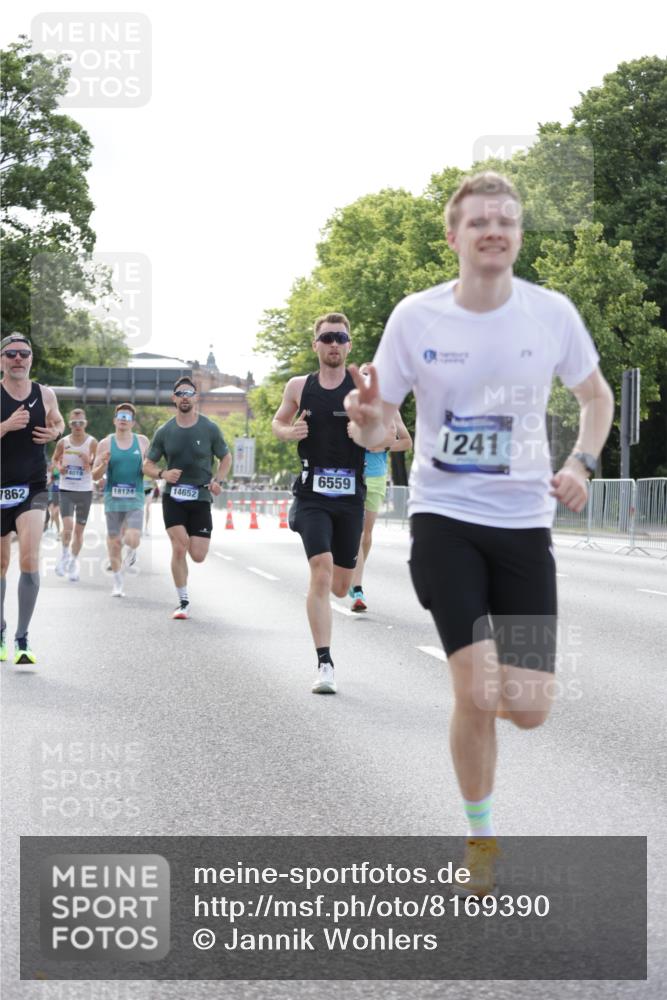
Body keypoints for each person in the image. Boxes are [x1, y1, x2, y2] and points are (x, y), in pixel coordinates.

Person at [344, 172, 614, 894]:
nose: (493, 230)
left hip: (524, 526)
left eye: (505, 221)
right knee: (475, 685)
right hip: (444, 522)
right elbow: (380, 425)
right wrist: (367, 415)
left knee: (526, 708)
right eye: (478, 222)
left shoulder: (550, 314)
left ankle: (490, 700)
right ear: (453, 236)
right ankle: (482, 837)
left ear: (518, 235)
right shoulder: (415, 317)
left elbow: (595, 396)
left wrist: (581, 464)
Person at [272, 312, 366, 694]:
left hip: (351, 496)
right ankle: (324, 662)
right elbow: (277, 423)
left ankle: (340, 593)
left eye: (340, 338)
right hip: (312, 492)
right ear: (315, 345)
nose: (333, 344)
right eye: (326, 337)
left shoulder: (362, 390)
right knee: (321, 571)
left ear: (348, 346)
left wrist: (363, 430)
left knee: (341, 586)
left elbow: (386, 436)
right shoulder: (299, 386)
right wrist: (288, 430)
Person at [143, 377, 231, 619]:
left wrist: (218, 480)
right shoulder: (164, 431)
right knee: (179, 546)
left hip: (201, 496)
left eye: (189, 393)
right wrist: (163, 473)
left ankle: (184, 596)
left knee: (198, 555)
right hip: (174, 496)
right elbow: (147, 464)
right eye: (180, 393)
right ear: (174, 398)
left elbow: (226, 457)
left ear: (195, 398)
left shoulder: (210, 428)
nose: (184, 396)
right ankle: (183, 601)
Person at [0, 333, 64, 664]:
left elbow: (59, 422)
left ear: (31, 359)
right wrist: (6, 425)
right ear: (2, 360)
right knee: (0, 564)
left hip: (33, 486)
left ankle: (22, 637)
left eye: (24, 353)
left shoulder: (45, 394)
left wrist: (55, 432)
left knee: (29, 558)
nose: (18, 359)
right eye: (11, 353)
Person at [348, 364, 412, 612]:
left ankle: (354, 575)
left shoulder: (389, 409)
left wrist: (383, 446)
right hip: (352, 474)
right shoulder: (350, 407)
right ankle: (358, 588)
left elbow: (406, 442)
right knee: (355, 533)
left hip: (375, 475)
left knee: (365, 534)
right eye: (363, 375)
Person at [92, 404, 149, 598]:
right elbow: (94, 475)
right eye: (120, 416)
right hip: (112, 498)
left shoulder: (142, 442)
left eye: (127, 416)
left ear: (132, 422)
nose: (123, 419)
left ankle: (132, 549)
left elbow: (149, 466)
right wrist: (103, 465)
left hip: (135, 496)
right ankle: (117, 583)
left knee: (132, 538)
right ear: (115, 420)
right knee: (114, 542)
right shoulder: (105, 444)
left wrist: (157, 473)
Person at [52, 408, 97, 582]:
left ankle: (73, 562)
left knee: (78, 532)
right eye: (74, 423)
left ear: (85, 423)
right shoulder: (63, 442)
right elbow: (56, 458)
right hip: (67, 489)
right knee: (68, 527)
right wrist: (59, 467)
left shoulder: (92, 442)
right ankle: (64, 555)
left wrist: (89, 462)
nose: (77, 426)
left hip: (85, 490)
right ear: (69, 424)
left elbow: (100, 464)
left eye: (81, 423)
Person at [46, 462, 61, 537]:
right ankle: (53, 529)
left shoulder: (58, 470)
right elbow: (51, 480)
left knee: (55, 513)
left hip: (61, 494)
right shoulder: (53, 471)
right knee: (54, 513)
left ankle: (56, 529)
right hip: (52, 494)